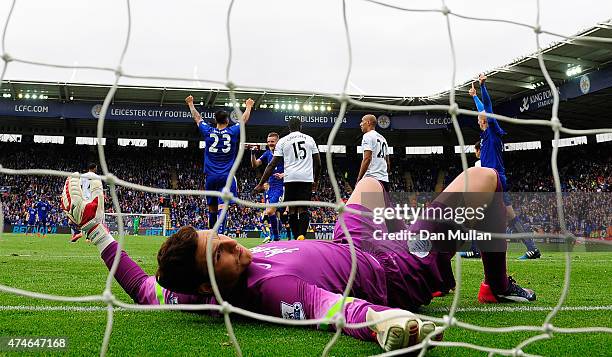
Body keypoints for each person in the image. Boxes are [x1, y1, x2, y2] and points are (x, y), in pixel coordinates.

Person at [61, 166, 535, 354]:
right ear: (208, 288)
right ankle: (496, 282)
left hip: (348, 244)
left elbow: (144, 289)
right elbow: (328, 307)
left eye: (219, 238)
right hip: (391, 270)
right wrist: (382, 321)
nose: (232, 245)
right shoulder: (270, 291)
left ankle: (415, 228)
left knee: (370, 183)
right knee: (483, 180)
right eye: (221, 254)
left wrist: (97, 231)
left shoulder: (193, 286)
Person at [467, 74, 541, 260]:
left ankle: (476, 249)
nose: (478, 117)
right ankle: (532, 248)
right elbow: (483, 109)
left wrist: (483, 87)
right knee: (508, 215)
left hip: (494, 179)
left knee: (476, 212)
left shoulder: (492, 131)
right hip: (494, 179)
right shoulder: (486, 136)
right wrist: (474, 96)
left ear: (484, 121)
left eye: (480, 117)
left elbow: (487, 108)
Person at [186, 96, 254, 234]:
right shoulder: (232, 131)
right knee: (222, 205)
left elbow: (197, 118)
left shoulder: (208, 131)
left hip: (211, 177)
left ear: (215, 121)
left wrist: (191, 104)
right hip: (227, 176)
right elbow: (243, 120)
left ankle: (213, 234)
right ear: (227, 120)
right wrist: (248, 107)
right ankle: (221, 233)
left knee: (212, 208)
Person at [253, 117, 320, 240]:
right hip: (306, 178)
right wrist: (316, 180)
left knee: (292, 209)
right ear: (301, 127)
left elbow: (271, 164)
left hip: (290, 179)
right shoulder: (310, 139)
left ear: (289, 128)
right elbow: (318, 163)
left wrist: (260, 183)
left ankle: (295, 237)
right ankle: (302, 235)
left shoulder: (283, 141)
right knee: (303, 208)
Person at [251, 133, 284, 241]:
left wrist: (284, 174)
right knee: (271, 212)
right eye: (269, 141)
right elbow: (255, 165)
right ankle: (276, 237)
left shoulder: (284, 153)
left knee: (270, 211)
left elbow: (293, 166)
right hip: (270, 187)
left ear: (277, 142)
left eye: (272, 141)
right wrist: (252, 154)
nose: (270, 143)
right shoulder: (267, 153)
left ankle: (276, 236)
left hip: (281, 186)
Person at [357, 114, 390, 191]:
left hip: (371, 180)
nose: (360, 124)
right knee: (381, 203)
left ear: (368, 122)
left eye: (362, 121)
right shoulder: (383, 139)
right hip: (384, 181)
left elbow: (367, 159)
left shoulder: (367, 136)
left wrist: (359, 178)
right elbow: (388, 162)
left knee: (368, 203)